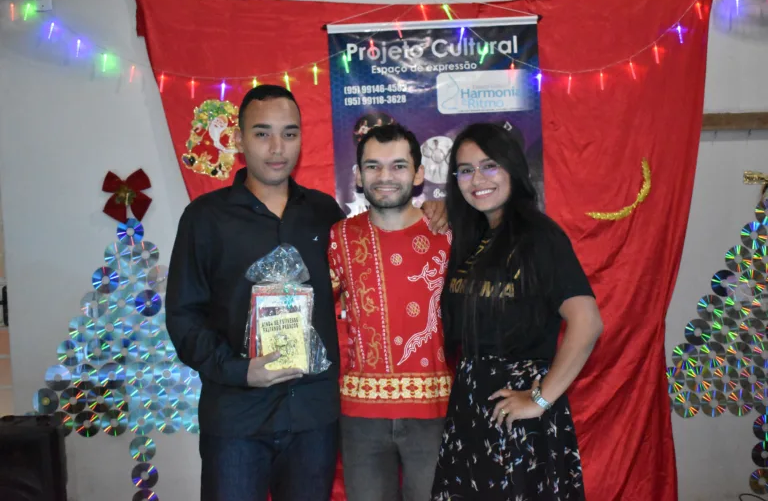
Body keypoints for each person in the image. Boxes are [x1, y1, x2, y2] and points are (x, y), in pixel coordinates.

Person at [165, 84, 448, 501]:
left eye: (290, 133)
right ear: (240, 140)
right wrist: (239, 370)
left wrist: (434, 209)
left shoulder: (325, 216)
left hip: (314, 419)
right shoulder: (205, 218)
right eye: (262, 133)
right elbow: (183, 316)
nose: (277, 147)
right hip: (238, 417)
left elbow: (379, 250)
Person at [430, 123, 603, 501]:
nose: (477, 179)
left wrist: (539, 399)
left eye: (489, 165)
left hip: (516, 408)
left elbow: (587, 321)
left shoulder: (538, 236)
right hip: (471, 405)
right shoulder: (474, 236)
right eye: (464, 169)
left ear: (513, 169)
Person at [328, 124, 453, 501]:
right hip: (359, 414)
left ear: (418, 174)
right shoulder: (339, 236)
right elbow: (315, 312)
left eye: (398, 166)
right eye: (373, 167)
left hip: (434, 411)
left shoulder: (448, 233)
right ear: (358, 176)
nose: (385, 177)